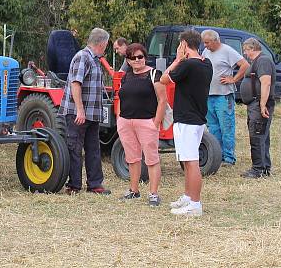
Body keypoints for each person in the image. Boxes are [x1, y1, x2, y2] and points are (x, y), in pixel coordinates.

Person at [160, 29, 212, 217]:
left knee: (191, 163)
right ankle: (189, 197)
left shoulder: (187, 65)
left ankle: (195, 204)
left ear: (184, 45)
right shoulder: (206, 64)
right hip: (195, 118)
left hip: (188, 120)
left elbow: (164, 79)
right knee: (187, 161)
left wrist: (177, 60)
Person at [58, 27, 111, 195]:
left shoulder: (94, 59)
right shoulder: (82, 57)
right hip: (78, 113)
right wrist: (80, 111)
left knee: (93, 148)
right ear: (103, 43)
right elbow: (75, 83)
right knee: (74, 148)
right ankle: (73, 185)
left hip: (91, 114)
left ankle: (94, 184)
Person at [116, 42, 167, 206]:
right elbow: (120, 97)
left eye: (140, 56)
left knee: (151, 159)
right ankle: (134, 190)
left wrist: (156, 122)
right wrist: (119, 117)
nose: (137, 60)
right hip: (126, 122)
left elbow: (163, 100)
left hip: (146, 122)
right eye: (133, 57)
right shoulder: (126, 76)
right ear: (128, 61)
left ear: (145, 57)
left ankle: (153, 193)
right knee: (132, 158)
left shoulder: (154, 74)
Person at [200, 29, 249, 166]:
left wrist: (233, 79)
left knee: (226, 126)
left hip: (223, 96)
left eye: (208, 42)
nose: (205, 45)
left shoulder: (227, 51)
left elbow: (245, 65)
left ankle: (229, 157)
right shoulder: (206, 52)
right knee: (213, 127)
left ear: (216, 40)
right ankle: (217, 155)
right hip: (209, 95)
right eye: (204, 43)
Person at [239, 37, 275, 179]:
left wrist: (262, 104)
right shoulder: (258, 61)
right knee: (261, 136)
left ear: (252, 48)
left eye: (246, 51)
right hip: (255, 103)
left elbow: (265, 83)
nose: (245, 54)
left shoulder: (263, 61)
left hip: (259, 103)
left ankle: (258, 169)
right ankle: (264, 167)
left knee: (257, 135)